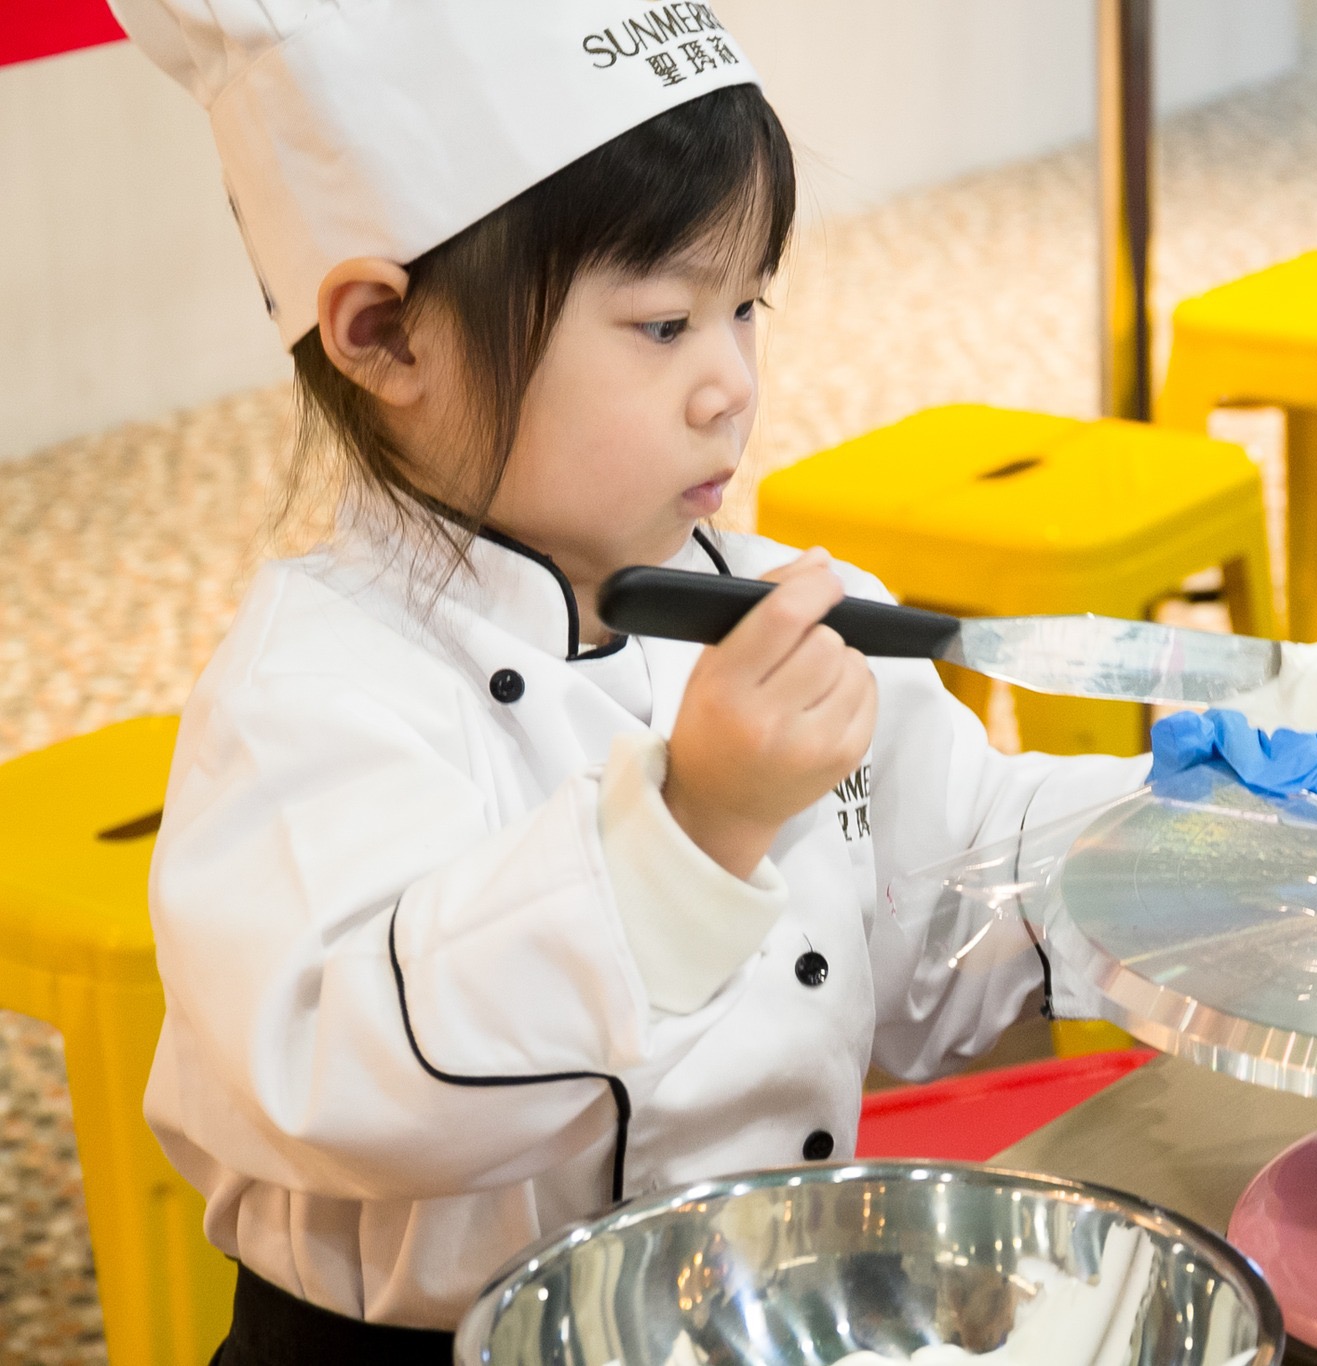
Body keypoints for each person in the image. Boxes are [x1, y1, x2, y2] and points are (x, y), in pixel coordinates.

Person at [108, 3, 1148, 1359]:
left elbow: (948, 882)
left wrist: (1173, 842)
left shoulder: (760, 601)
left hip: (752, 1307)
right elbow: (353, 1078)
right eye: (663, 323)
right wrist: (690, 834)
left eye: (745, 307)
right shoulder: (316, 690)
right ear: (385, 336)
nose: (731, 385)